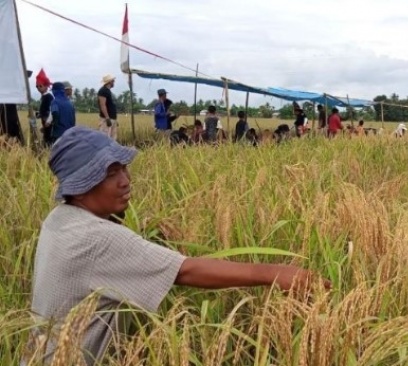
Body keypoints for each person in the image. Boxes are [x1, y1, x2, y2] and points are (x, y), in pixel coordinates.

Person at [22, 126, 330, 365]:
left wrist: (149, 236)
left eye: (123, 168)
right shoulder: (97, 238)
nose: (125, 181)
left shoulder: (59, 219)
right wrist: (275, 273)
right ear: (80, 186)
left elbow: (104, 261)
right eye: (110, 174)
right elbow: (186, 271)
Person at [35, 69, 54, 146]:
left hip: (48, 122)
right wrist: (39, 114)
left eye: (40, 86)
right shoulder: (44, 96)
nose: (38, 88)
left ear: (46, 86)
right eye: (37, 86)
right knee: (46, 138)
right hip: (45, 122)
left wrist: (48, 121)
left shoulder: (48, 96)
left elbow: (51, 110)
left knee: (48, 139)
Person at [98, 75, 118, 140]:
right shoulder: (103, 91)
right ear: (110, 82)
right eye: (113, 81)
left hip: (111, 118)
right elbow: (102, 105)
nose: (114, 82)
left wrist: (114, 120)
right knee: (105, 139)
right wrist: (107, 118)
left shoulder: (107, 91)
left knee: (112, 139)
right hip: (106, 119)